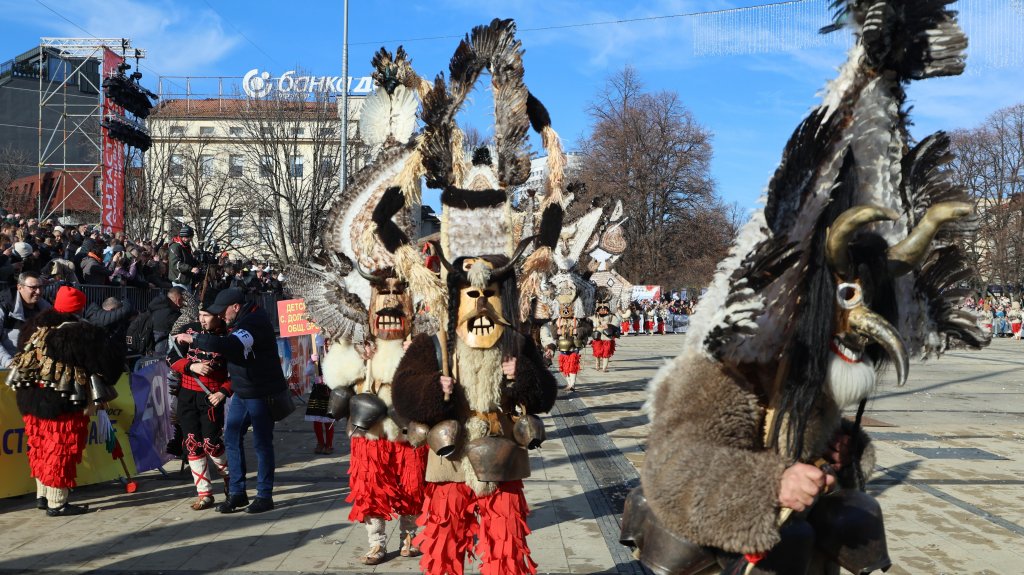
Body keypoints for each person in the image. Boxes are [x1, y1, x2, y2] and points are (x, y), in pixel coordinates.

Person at [6, 285, 123, 516]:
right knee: (61, 448)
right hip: (63, 402)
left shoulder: (32, 326)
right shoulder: (82, 333)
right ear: (78, 307)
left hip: (30, 397)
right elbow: (109, 363)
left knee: (40, 446)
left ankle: (43, 495)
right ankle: (57, 502)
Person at [174, 288, 286, 514]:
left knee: (262, 444)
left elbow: (230, 346)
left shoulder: (253, 322)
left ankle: (264, 495)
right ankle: (237, 492)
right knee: (231, 437)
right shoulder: (239, 320)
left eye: (222, 312)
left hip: (259, 391)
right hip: (242, 391)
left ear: (236, 307)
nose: (220, 316)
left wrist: (195, 338)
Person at [168, 302, 232, 510]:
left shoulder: (229, 336)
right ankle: (204, 493)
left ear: (219, 315)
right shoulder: (190, 330)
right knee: (192, 443)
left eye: (207, 315)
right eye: (200, 314)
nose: (202, 319)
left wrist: (223, 392)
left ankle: (231, 479)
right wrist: (190, 365)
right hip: (187, 394)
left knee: (211, 443)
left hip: (211, 396)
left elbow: (239, 372)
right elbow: (172, 357)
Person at [0, 271, 52, 367]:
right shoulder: (4, 307)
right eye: (33, 288)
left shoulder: (47, 309)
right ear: (20, 288)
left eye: (40, 287)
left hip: (35, 369)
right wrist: (9, 363)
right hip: (6, 369)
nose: (38, 292)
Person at [149, 287, 184, 356]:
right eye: (183, 300)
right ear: (178, 299)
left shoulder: (158, 303)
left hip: (149, 337)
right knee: (160, 361)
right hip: (161, 338)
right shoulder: (171, 312)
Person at [168, 225, 200, 292]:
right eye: (190, 237)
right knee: (183, 302)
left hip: (187, 280)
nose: (191, 239)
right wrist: (190, 269)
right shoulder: (175, 246)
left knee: (188, 302)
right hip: (179, 281)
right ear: (184, 237)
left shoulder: (186, 247)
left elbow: (188, 260)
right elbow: (175, 264)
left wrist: (197, 263)